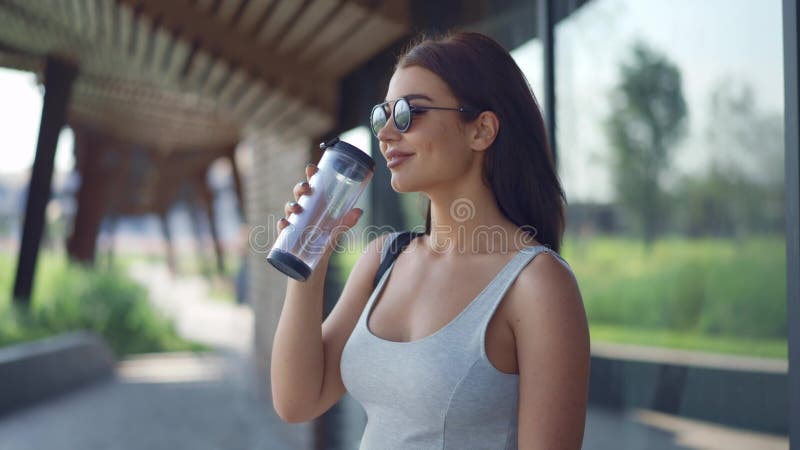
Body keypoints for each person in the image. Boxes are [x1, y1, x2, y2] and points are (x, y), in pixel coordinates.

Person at [270, 31, 590, 450]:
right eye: (382, 115)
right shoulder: (383, 259)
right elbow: (297, 401)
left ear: (481, 130)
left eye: (407, 113)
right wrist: (308, 258)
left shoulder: (537, 284)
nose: (385, 134)